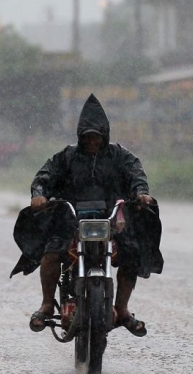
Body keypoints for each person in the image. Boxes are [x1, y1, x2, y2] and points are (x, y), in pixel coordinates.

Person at [10, 93, 163, 336]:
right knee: (51, 252)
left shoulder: (120, 155)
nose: (92, 141)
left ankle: (122, 309)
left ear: (105, 136)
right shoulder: (67, 156)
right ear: (80, 136)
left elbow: (136, 174)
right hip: (71, 220)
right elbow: (45, 175)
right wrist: (39, 193)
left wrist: (142, 193)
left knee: (132, 252)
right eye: (88, 137)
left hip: (110, 221)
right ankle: (48, 304)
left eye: (97, 137)